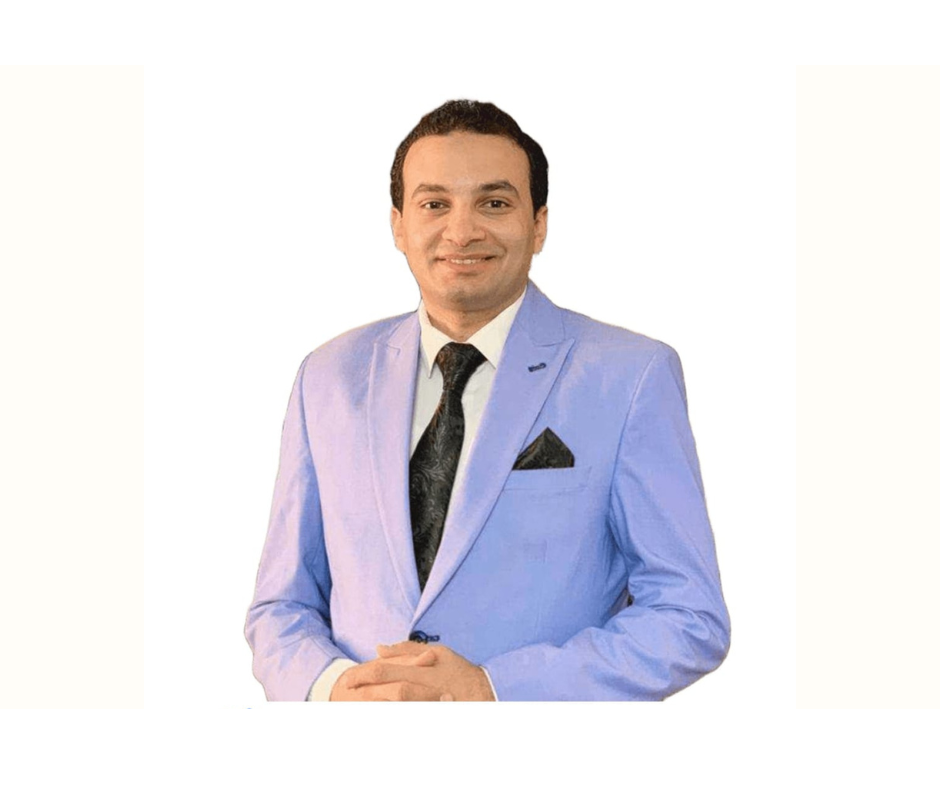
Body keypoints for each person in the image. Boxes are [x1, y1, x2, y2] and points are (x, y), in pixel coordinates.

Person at [245, 99, 730, 701]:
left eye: (494, 203)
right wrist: (334, 689)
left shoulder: (630, 376)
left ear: (539, 224)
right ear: (398, 224)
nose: (462, 231)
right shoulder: (327, 376)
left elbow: (688, 616)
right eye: (434, 204)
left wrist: (492, 689)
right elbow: (281, 605)